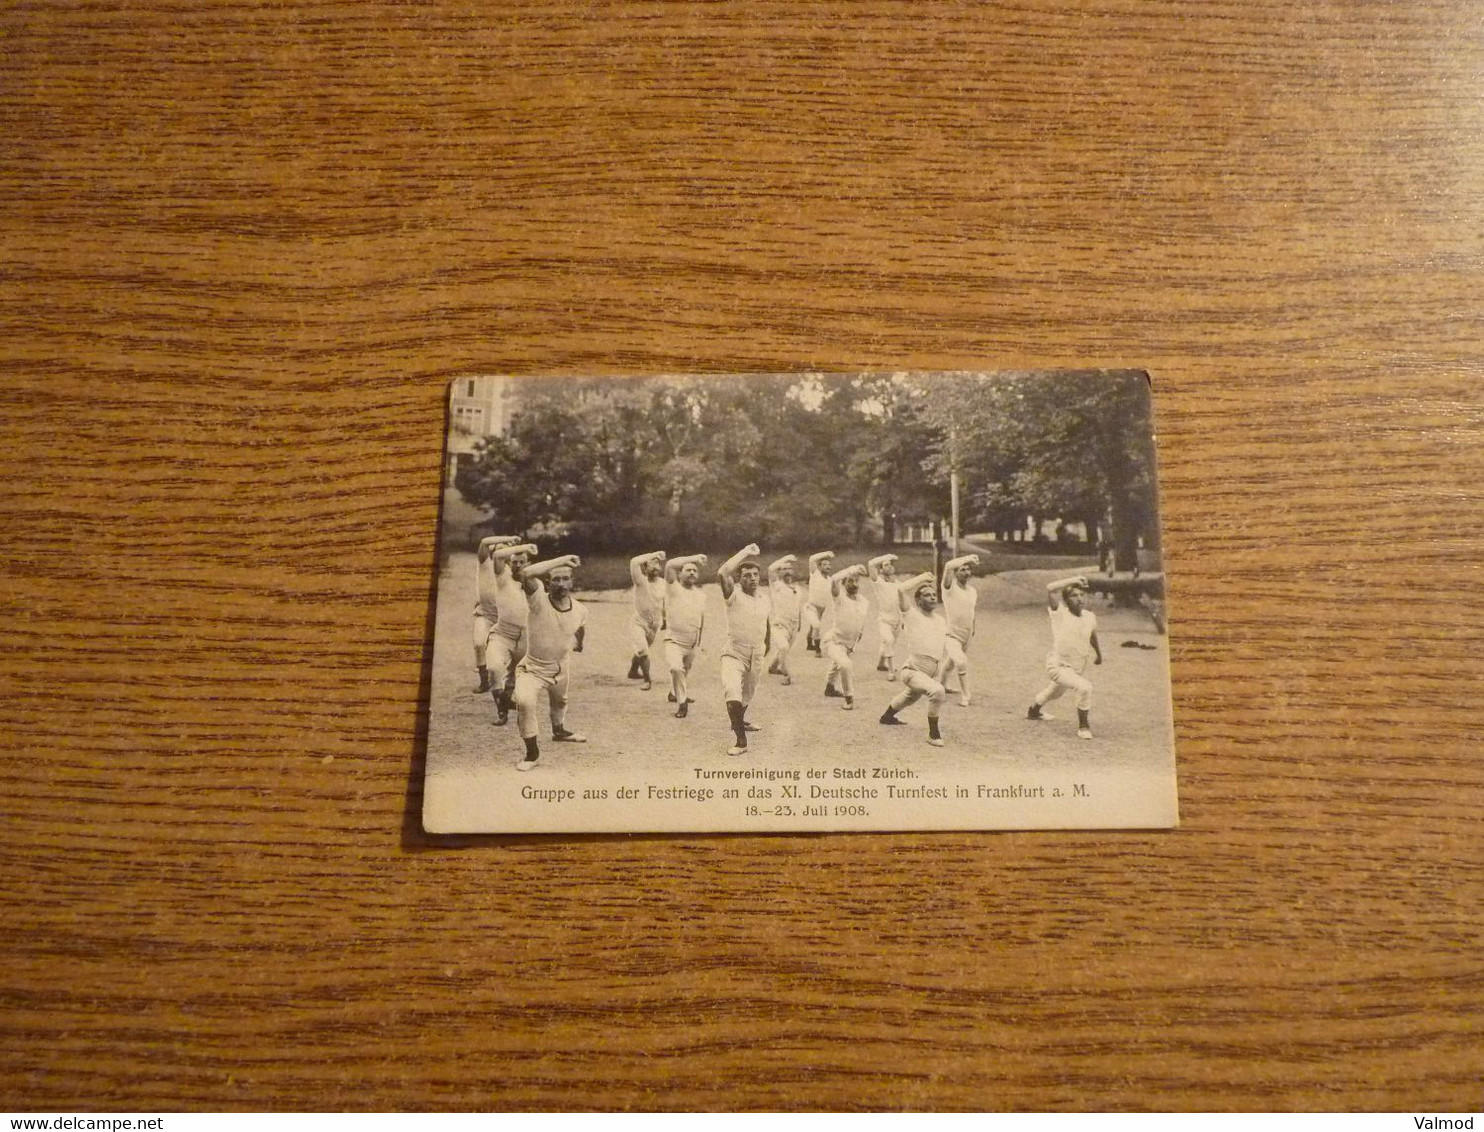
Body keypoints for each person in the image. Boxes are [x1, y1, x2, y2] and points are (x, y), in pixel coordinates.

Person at [511, 554, 588, 772]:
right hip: (533, 667)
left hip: (561, 665)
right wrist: (562, 559)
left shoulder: (581, 609)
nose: (561, 584)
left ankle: (559, 731)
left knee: (560, 701)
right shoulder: (537, 600)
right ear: (547, 583)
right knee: (525, 702)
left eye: (565, 579)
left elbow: (580, 626)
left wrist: (578, 643)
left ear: (572, 582)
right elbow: (526, 573)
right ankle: (532, 753)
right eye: (556, 579)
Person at [878, 572, 949, 747]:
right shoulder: (911, 615)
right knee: (937, 692)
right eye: (927, 595)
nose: (932, 597)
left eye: (933, 594)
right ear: (917, 601)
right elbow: (901, 589)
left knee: (910, 696)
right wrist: (923, 578)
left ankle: (887, 716)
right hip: (912, 670)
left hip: (930, 671)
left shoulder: (940, 620)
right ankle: (933, 734)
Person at [1027, 576, 1103, 740]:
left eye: (1082, 595)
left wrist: (1098, 653)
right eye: (1074, 596)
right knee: (1085, 688)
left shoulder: (1089, 616)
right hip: (1057, 665)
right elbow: (1050, 587)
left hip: (1075, 666)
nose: (1079, 599)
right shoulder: (1059, 613)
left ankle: (1033, 711)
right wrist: (1075, 579)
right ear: (1066, 600)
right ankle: (1084, 726)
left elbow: (1092, 635)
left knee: (1055, 692)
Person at [716, 544, 768, 755]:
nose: (752, 579)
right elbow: (722, 572)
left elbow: (767, 624)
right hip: (734, 652)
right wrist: (745, 552)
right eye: (746, 575)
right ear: (739, 578)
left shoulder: (765, 598)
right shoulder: (733, 596)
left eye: (755, 575)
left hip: (757, 653)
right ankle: (741, 741)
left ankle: (739, 721)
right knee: (732, 689)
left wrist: (767, 647)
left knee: (748, 694)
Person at [486, 540, 538, 725]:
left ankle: (504, 710)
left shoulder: (534, 583)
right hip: (503, 633)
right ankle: (501, 708)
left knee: (516, 675)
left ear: (528, 564)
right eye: (514, 562)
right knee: (493, 668)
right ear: (509, 564)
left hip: (525, 635)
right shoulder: (502, 577)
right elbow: (498, 556)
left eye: (521, 562)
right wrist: (522, 548)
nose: (517, 565)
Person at [662, 553, 708, 718]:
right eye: (688, 570)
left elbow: (700, 619)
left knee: (685, 669)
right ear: (680, 574)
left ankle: (673, 692)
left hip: (691, 642)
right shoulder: (673, 588)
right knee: (676, 667)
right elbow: (669, 565)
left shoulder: (701, 595)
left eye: (695, 571)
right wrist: (695, 558)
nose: (692, 573)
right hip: (673, 640)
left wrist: (699, 641)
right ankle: (682, 704)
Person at [472, 534, 519, 692]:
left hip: (504, 618)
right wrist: (507, 538)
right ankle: (484, 681)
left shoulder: (511, 571)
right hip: (485, 614)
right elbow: (484, 542)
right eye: (498, 550)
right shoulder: (485, 564)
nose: (501, 553)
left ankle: (510, 681)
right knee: (479, 643)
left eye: (505, 551)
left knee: (508, 651)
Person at [821, 564, 869, 711]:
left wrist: (855, 643)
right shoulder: (839, 598)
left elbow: (860, 624)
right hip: (833, 641)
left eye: (856, 581)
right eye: (850, 581)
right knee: (845, 664)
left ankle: (829, 687)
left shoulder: (864, 602)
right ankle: (849, 699)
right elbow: (834, 580)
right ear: (844, 583)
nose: (854, 584)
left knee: (837, 664)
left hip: (849, 643)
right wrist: (851, 569)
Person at [940, 553, 981, 707]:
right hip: (951, 634)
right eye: (962, 570)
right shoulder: (949, 589)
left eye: (968, 569)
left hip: (967, 634)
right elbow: (948, 566)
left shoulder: (972, 591)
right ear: (956, 573)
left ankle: (942, 685)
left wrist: (973, 627)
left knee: (950, 663)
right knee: (961, 662)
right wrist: (968, 558)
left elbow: (972, 611)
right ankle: (966, 695)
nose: (966, 572)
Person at [626, 550, 667, 691]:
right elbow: (633, 562)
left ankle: (632, 671)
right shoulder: (640, 581)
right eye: (651, 564)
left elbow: (664, 603)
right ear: (644, 568)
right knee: (643, 650)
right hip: (639, 622)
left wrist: (665, 619)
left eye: (657, 563)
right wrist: (654, 554)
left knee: (642, 650)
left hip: (655, 623)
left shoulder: (663, 583)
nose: (655, 566)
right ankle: (647, 680)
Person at [764, 554, 802, 685]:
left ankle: (773, 667)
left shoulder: (797, 588)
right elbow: (770, 569)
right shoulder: (776, 585)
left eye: (789, 568)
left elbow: (797, 607)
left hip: (794, 625)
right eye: (783, 569)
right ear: (779, 573)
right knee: (784, 647)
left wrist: (799, 623)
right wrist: (785, 558)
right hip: (779, 624)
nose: (787, 571)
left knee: (784, 649)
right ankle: (786, 675)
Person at [867, 553, 901, 680]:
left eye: (890, 564)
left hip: (897, 620)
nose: (889, 567)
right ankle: (891, 671)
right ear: (881, 570)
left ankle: (881, 664)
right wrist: (886, 556)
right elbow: (871, 564)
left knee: (888, 643)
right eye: (885, 565)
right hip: (884, 620)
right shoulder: (878, 583)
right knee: (888, 641)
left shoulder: (898, 583)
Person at [802, 550, 835, 656]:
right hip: (811, 606)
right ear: (819, 567)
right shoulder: (815, 574)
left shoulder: (830, 579)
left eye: (829, 565)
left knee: (813, 626)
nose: (827, 567)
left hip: (821, 609)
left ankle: (809, 644)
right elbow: (812, 558)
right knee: (816, 625)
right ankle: (817, 649)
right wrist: (825, 554)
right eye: (825, 565)